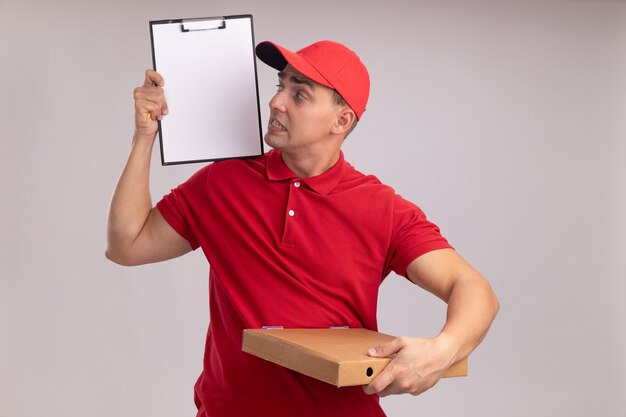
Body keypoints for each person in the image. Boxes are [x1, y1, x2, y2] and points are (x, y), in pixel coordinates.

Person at [106, 39, 499, 417]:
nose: (275, 101)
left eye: (300, 94)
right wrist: (144, 138)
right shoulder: (223, 182)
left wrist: (442, 350)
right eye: (280, 86)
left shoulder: (383, 208)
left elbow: (473, 289)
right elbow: (128, 245)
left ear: (341, 120)